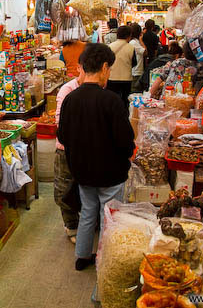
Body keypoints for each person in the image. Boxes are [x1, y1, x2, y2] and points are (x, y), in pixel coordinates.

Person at [58, 43, 136, 271]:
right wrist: (127, 156)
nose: (109, 74)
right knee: (110, 217)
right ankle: (107, 259)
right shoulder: (111, 100)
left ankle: (82, 257)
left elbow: (62, 135)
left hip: (82, 172)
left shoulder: (71, 99)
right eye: (109, 69)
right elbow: (125, 140)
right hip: (111, 173)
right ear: (103, 67)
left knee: (88, 214)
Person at [54, 67, 85, 244]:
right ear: (80, 69)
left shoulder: (97, 87)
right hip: (66, 149)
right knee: (65, 189)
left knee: (85, 188)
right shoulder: (67, 90)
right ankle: (71, 225)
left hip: (86, 150)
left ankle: (86, 222)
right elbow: (60, 122)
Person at [106, 25, 135, 109]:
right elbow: (134, 63)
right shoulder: (131, 48)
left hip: (111, 78)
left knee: (112, 101)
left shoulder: (110, 46)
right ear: (129, 36)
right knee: (125, 101)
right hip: (126, 79)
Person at [128, 23, 146, 92]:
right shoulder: (134, 42)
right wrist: (141, 40)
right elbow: (145, 52)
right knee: (135, 91)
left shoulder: (134, 42)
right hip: (136, 71)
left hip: (136, 71)